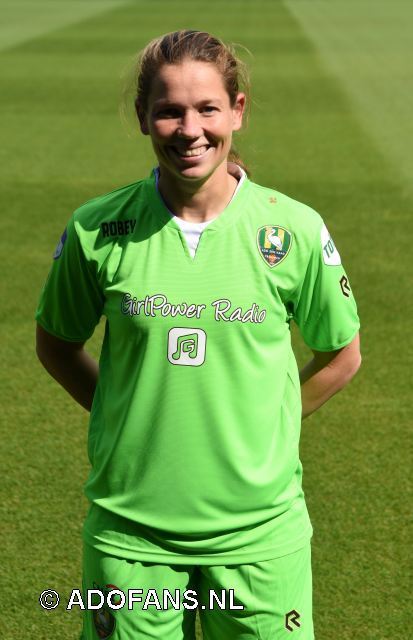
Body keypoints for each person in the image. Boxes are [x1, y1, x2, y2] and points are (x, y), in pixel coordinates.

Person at [35, 29, 361, 640]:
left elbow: (342, 355)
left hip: (260, 535)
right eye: (169, 111)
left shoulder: (291, 229)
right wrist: (123, 409)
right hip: (131, 534)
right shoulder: (97, 230)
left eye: (207, 108)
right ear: (143, 118)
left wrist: (275, 423)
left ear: (237, 110)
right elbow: (55, 342)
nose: (190, 129)